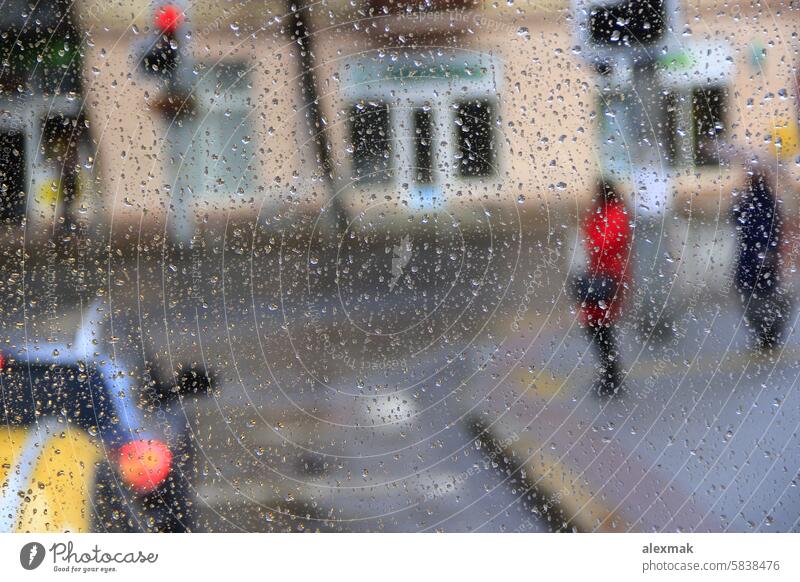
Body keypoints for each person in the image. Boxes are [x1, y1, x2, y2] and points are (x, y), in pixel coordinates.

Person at [574, 179, 632, 396]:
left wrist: (589, 237)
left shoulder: (615, 213)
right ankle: (609, 374)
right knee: (597, 329)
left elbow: (605, 242)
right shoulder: (602, 212)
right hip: (598, 277)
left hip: (609, 279)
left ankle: (612, 376)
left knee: (603, 330)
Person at [732, 167, 790, 350]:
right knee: (763, 297)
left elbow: (739, 219)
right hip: (761, 260)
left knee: (754, 299)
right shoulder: (768, 201)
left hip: (752, 261)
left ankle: (766, 333)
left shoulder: (755, 201)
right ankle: (769, 333)